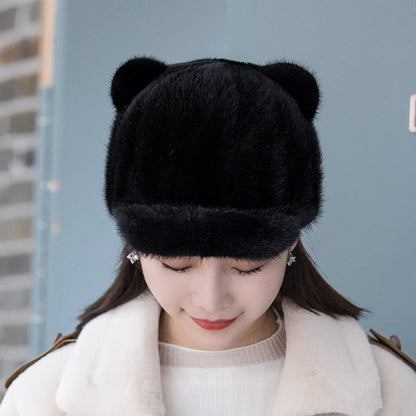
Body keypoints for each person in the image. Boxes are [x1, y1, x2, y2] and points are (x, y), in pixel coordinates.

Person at [1, 56, 415, 416]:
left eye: (247, 266)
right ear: (136, 246)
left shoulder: (391, 392)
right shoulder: (44, 397)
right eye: (177, 264)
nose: (211, 300)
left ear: (291, 241)